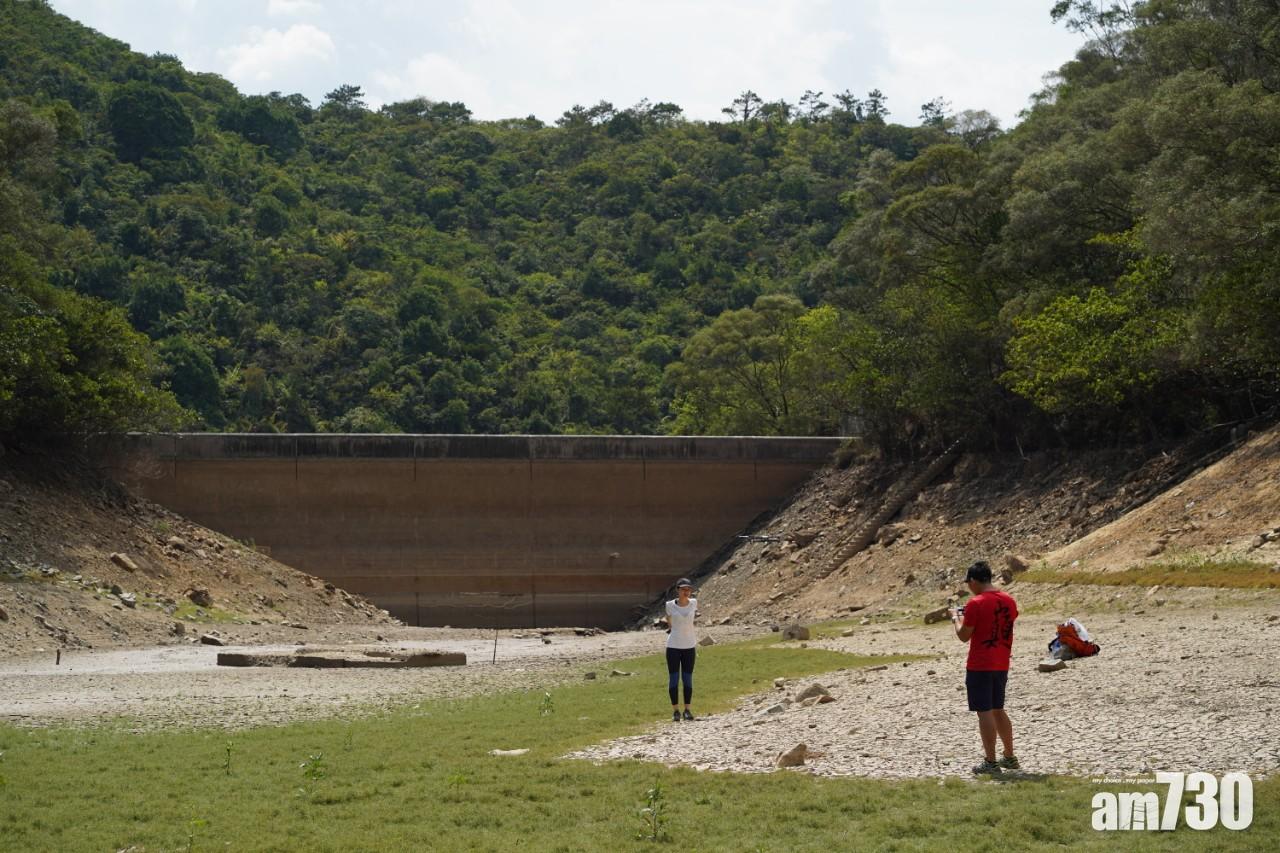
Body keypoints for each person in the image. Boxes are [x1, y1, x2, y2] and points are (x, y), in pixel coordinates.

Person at [951, 560, 1019, 774]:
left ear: (973, 581)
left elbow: (964, 635)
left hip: (980, 664)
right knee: (999, 709)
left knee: (985, 712)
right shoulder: (1009, 600)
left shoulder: (975, 603)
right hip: (1001, 662)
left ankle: (990, 762)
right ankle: (1009, 756)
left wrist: (956, 618)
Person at [664, 578, 698, 721]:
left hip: (689, 645)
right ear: (678, 590)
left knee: (687, 679)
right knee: (674, 679)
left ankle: (687, 710)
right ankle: (676, 711)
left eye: (688, 589)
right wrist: (674, 630)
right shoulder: (669, 605)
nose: (686, 592)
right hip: (673, 646)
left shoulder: (694, 603)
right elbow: (669, 622)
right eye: (683, 589)